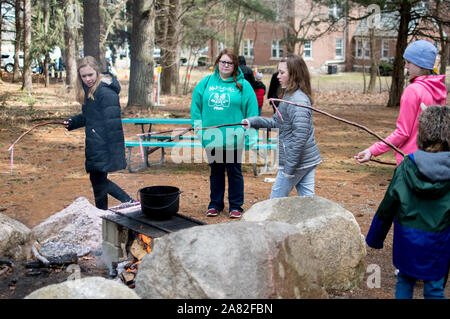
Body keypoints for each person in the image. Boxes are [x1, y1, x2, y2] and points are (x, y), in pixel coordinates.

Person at [365, 104, 450, 299]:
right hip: (439, 243)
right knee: (434, 289)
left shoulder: (406, 166)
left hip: (407, 240)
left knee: (404, 282)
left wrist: (375, 238)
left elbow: (388, 205)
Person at [355, 40, 447, 166]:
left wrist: (372, 150)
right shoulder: (439, 89)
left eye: (408, 62)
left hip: (412, 162)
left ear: (420, 64)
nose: (406, 66)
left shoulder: (413, 90)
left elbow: (403, 133)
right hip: (434, 160)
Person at [242, 54, 322, 199]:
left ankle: (272, 223)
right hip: (304, 160)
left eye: (282, 72)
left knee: (276, 199)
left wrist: (289, 169)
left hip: (298, 161)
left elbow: (300, 137)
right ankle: (310, 221)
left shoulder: (299, 101)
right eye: (278, 71)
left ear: (294, 74)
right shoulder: (289, 96)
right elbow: (276, 123)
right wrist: (252, 122)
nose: (278, 76)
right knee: (308, 200)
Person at [191, 49, 259, 218]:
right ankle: (215, 204)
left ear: (235, 66)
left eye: (230, 63)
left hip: (233, 137)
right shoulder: (206, 83)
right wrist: (198, 128)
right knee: (216, 172)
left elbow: (251, 110)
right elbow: (196, 107)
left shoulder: (243, 85)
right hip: (212, 136)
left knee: (234, 171)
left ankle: (236, 206)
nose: (226, 65)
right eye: (223, 62)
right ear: (217, 63)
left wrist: (251, 133)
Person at [64, 56, 135, 210]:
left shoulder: (105, 93)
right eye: (84, 76)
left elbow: (113, 126)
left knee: (98, 181)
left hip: (104, 145)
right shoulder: (90, 91)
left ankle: (130, 202)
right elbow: (89, 116)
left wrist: (116, 155)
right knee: (98, 183)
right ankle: (101, 214)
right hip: (95, 143)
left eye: (90, 75)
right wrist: (72, 122)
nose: (87, 79)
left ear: (97, 72)